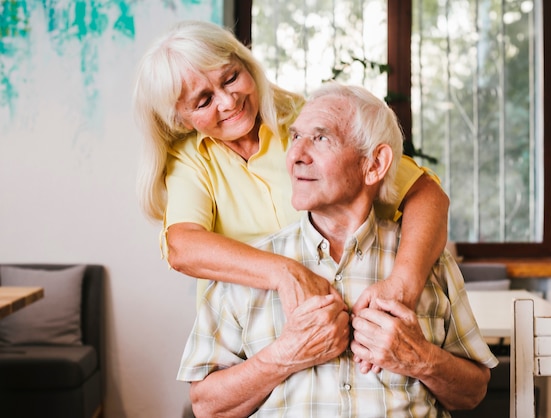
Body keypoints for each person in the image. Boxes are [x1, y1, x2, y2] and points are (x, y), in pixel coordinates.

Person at [177, 83, 498, 418]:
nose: (297, 155)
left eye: (320, 138)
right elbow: (205, 406)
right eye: (296, 137)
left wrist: (420, 358)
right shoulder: (247, 268)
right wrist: (286, 354)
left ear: (374, 164)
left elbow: (473, 392)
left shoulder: (427, 263)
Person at [132, 20, 450, 325]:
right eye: (203, 101)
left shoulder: (308, 119)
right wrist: (286, 273)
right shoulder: (189, 160)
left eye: (230, 78)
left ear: (246, 64)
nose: (228, 102)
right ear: (180, 120)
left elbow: (425, 194)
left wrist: (404, 285)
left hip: (354, 325)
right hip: (247, 340)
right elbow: (184, 247)